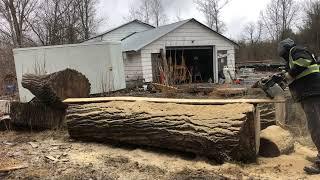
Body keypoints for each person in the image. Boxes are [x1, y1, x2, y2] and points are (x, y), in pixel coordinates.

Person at [278, 38, 320, 174]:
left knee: (316, 127)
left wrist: (289, 75)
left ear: (286, 47)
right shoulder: (291, 59)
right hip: (311, 93)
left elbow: (303, 61)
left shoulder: (296, 50)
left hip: (312, 93)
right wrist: (283, 77)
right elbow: (294, 71)